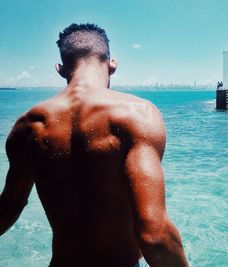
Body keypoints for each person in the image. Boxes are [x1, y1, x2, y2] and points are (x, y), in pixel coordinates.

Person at [0, 23, 189, 267]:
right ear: (112, 64)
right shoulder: (136, 115)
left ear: (60, 69)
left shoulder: (28, 126)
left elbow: (6, 210)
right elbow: (154, 234)